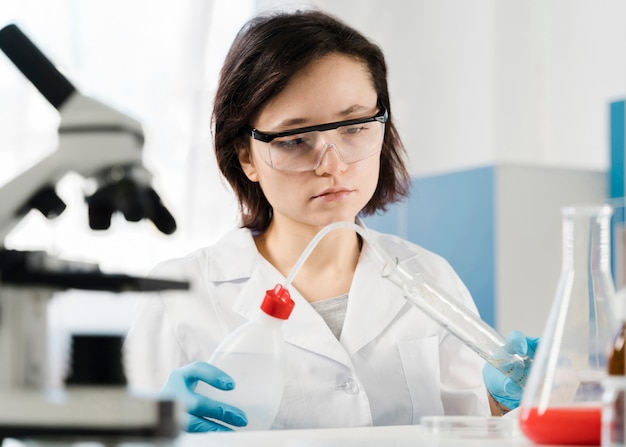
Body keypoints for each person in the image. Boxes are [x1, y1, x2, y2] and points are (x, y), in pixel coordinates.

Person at [123, 8, 537, 432]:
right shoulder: (178, 298)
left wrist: (507, 404)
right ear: (247, 156)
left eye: (355, 127)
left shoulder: (431, 277)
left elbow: (472, 430)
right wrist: (148, 430)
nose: (332, 165)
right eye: (295, 139)